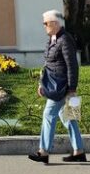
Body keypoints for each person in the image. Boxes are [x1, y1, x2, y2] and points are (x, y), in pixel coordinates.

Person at [29, 10, 86, 165]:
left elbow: (72, 66)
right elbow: (48, 64)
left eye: (46, 23)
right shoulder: (53, 39)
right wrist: (42, 84)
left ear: (55, 23)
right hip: (54, 85)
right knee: (69, 117)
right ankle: (79, 151)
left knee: (48, 115)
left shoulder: (65, 39)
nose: (44, 26)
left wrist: (72, 88)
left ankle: (44, 151)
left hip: (62, 87)